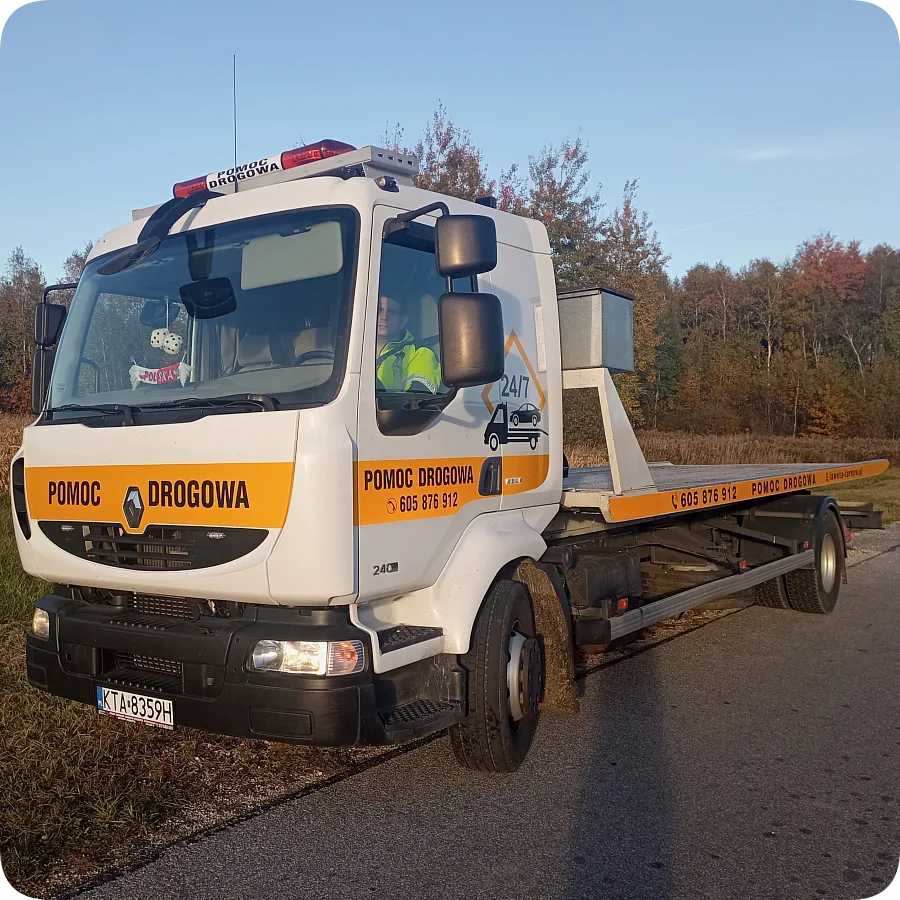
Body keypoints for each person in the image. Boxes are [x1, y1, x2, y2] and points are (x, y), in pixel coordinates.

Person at [375, 293, 441, 393]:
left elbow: (415, 401)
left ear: (402, 321)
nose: (384, 317)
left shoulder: (420, 353)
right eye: (379, 310)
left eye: (391, 313)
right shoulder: (349, 349)